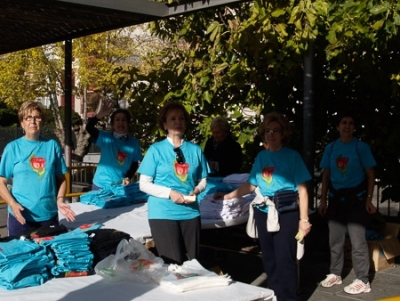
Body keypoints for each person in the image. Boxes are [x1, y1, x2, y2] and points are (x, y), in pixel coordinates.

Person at [215, 112, 311, 301]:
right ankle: (274, 295)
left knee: (285, 259)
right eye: (267, 131)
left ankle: (289, 298)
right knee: (269, 259)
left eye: (276, 130)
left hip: (286, 213)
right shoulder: (261, 157)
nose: (271, 134)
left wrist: (304, 219)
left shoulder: (292, 157)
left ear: (283, 133)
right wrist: (227, 196)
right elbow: (251, 184)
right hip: (263, 211)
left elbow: (303, 190)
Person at [138, 101, 209, 264]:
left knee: (194, 263)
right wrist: (170, 193)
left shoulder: (196, 150)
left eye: (181, 118)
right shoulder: (156, 150)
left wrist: (197, 190)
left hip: (191, 213)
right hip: (163, 213)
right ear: (164, 124)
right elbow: (144, 184)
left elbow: (203, 179)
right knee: (173, 264)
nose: (178, 122)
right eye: (173, 119)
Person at [318, 109, 376, 294]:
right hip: (335, 199)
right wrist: (323, 200)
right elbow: (326, 174)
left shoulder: (361, 147)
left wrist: (369, 199)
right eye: (344, 123)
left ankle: (363, 280)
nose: (347, 126)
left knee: (358, 241)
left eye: (350, 123)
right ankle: (335, 273)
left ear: (354, 128)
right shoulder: (331, 147)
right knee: (335, 240)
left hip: (356, 200)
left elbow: (370, 174)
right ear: (337, 126)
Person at [0, 100, 75, 237]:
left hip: (48, 216)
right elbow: (1, 181)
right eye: (28, 117)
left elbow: (62, 179)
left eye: (37, 117)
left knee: (49, 256)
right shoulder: (13, 148)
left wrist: (60, 200)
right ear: (22, 123)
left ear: (42, 122)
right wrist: (12, 203)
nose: (33, 121)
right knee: (20, 256)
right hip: (20, 217)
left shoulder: (52, 146)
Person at [86, 99, 142, 190]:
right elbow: (89, 128)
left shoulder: (134, 143)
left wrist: (128, 177)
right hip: (100, 185)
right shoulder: (105, 138)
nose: (120, 122)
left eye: (124, 120)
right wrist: (99, 115)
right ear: (112, 124)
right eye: (117, 120)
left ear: (128, 124)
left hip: (119, 186)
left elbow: (134, 163)